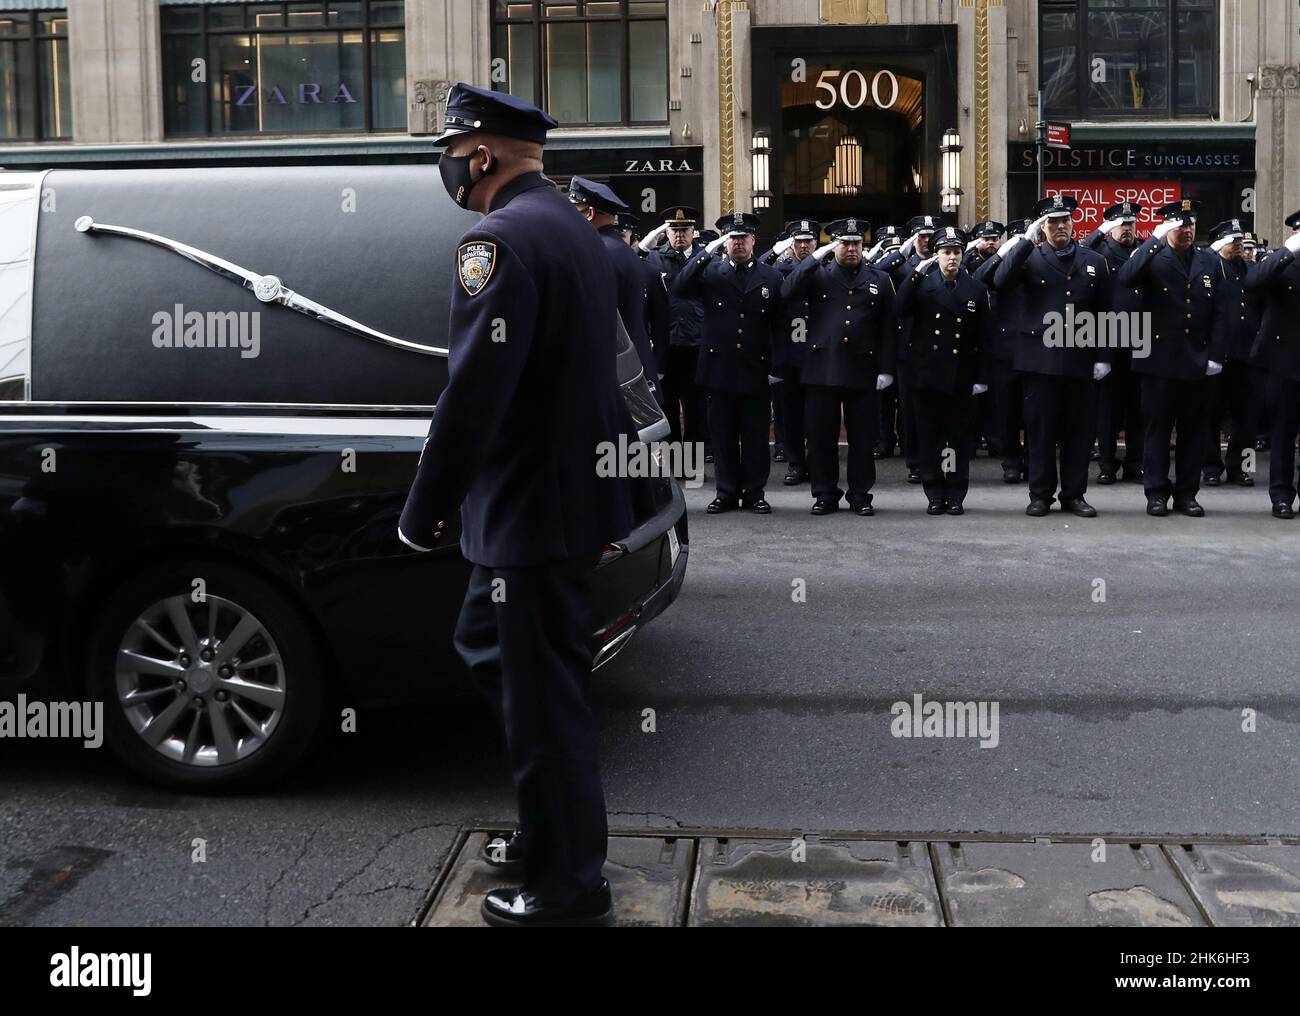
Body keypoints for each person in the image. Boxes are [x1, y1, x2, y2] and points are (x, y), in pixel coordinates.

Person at [400, 82, 634, 927]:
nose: (448, 168)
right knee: (490, 650)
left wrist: (427, 508)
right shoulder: (570, 225)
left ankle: (570, 884)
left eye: (450, 153)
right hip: (566, 498)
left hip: (533, 510)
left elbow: (474, 394)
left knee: (544, 700)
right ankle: (552, 831)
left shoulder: (494, 240)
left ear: (482, 154)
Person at [990, 194, 1113, 517]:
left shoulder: (1093, 261)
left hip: (1080, 360)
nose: (1061, 226)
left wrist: (1104, 356)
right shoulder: (1030, 257)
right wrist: (1024, 244)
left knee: (1079, 434)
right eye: (1053, 222)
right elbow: (999, 281)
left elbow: (1105, 311)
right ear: (1042, 227)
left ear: (1074, 223)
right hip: (1039, 362)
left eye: (1066, 220)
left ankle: (1074, 494)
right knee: (1040, 433)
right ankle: (1040, 494)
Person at [1118, 198, 1230, 517]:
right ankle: (1156, 492)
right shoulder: (1152, 256)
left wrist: (1216, 355)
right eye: (1180, 224)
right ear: (1167, 226)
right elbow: (1126, 276)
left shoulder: (1208, 260)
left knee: (1193, 431)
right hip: (1158, 360)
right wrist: (1154, 239)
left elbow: (1221, 312)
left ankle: (1186, 494)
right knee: (1157, 429)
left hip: (1196, 359)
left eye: (1191, 224)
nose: (1187, 230)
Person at [780, 217, 896, 515]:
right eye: (845, 243)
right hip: (823, 368)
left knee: (862, 437)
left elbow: (888, 328)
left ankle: (860, 494)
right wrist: (814, 257)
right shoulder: (818, 273)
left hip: (864, 367)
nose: (852, 248)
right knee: (820, 438)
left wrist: (886, 369)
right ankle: (824, 493)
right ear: (834, 246)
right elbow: (787, 291)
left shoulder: (879, 279)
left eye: (857, 243)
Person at [675, 212, 785, 514]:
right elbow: (680, 287)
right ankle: (725, 491)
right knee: (722, 435)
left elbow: (781, 326)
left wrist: (777, 367)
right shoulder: (711, 273)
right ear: (725, 242)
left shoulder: (771, 277)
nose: (738, 242)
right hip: (719, 369)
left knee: (755, 435)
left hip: (756, 368)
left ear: (753, 240)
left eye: (743, 237)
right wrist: (706, 252)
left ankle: (754, 492)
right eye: (732, 237)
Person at [895, 227, 992, 514]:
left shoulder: (975, 288)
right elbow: (899, 308)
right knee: (930, 438)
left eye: (956, 252)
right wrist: (916, 272)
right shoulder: (922, 285)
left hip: (962, 375)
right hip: (926, 375)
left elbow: (985, 337)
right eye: (946, 252)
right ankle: (934, 492)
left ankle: (956, 492)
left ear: (962, 255)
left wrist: (982, 377)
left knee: (959, 439)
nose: (952, 258)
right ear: (936, 255)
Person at [568, 176, 662, 400]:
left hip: (615, 373)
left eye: (574, 211)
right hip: (630, 368)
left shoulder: (597, 253)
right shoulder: (619, 249)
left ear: (589, 213)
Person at [1083, 201, 1145, 485]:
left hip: (1141, 338)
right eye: (1122, 224)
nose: (1128, 229)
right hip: (1108, 337)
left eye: (1131, 224)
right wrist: (1099, 232)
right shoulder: (1099, 252)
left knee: (1138, 407)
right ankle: (1107, 463)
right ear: (1110, 227)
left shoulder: (1144, 250)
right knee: (1107, 408)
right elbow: (1080, 250)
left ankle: (1135, 463)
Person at [877, 215, 940, 483]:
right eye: (921, 236)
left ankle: (935, 460)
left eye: (929, 236)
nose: (926, 241)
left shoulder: (945, 263)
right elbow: (876, 269)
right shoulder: (902, 266)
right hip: (907, 347)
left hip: (937, 348)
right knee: (909, 408)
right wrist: (901, 252)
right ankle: (914, 461)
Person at [1245, 209, 1300, 517]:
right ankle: (1281, 495)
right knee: (1282, 433)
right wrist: (1288, 251)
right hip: (1283, 362)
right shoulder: (1282, 262)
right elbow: (1253, 281)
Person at [642, 207, 708, 451]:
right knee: (667, 405)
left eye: (685, 230)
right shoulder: (654, 258)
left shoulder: (704, 258)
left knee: (696, 407)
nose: (679, 235)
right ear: (665, 233)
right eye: (674, 230)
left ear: (694, 232)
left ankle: (691, 462)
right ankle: (672, 460)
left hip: (696, 344)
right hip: (666, 344)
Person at [1202, 218, 1261, 488]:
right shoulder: (1211, 268)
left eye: (1240, 241)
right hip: (1218, 354)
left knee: (1245, 416)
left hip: (1246, 353)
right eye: (1234, 241)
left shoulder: (1251, 269)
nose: (1239, 245)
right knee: (1210, 413)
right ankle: (1211, 467)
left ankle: (1239, 468)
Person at [973, 218, 1029, 484]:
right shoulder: (1002, 264)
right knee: (1006, 412)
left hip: (1035, 348)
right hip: (1004, 350)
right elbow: (979, 279)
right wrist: (1005, 252)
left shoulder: (1042, 260)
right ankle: (1011, 461)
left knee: (1034, 413)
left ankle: (1031, 459)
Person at [770, 218, 820, 485]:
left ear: (815, 242)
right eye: (798, 242)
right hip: (788, 354)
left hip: (817, 355)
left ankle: (815, 462)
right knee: (789, 414)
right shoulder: (779, 269)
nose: (803, 246)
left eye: (808, 241)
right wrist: (777, 251)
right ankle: (795, 462)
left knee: (816, 415)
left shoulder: (823, 267)